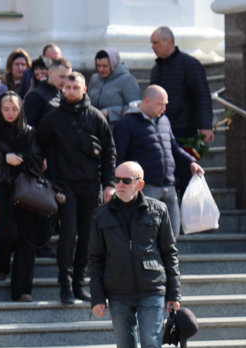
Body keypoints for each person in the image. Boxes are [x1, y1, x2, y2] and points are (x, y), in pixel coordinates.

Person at [88, 161, 180, 348]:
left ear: (140, 184)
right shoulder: (101, 215)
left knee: (151, 344)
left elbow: (170, 254)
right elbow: (95, 259)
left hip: (152, 288)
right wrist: (97, 297)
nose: (119, 184)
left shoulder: (158, 210)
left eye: (126, 181)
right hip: (117, 292)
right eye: (116, 179)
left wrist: (174, 293)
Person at [37, 73, 116, 304]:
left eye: (76, 87)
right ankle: (66, 287)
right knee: (68, 235)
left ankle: (80, 284)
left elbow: (110, 151)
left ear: (85, 89)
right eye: (68, 87)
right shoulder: (53, 117)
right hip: (65, 185)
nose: (71, 91)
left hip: (92, 185)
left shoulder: (95, 117)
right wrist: (42, 161)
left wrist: (109, 183)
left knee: (89, 238)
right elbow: (38, 142)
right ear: (63, 89)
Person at [0, 92, 45, 301]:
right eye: (6, 109)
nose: (10, 113)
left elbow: (38, 157)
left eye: (14, 109)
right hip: (1, 185)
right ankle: (1, 263)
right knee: (9, 232)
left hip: (26, 187)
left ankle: (23, 289)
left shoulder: (29, 132)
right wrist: (3, 158)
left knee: (28, 238)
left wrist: (26, 161)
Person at [114, 85, 205, 235]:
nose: (164, 108)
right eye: (160, 104)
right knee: (147, 234)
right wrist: (120, 184)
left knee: (172, 234)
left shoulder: (164, 121)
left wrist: (191, 162)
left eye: (165, 104)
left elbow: (174, 148)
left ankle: (167, 260)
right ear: (147, 101)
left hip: (169, 186)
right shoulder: (126, 123)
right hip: (145, 187)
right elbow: (118, 157)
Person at [150, 26, 214, 194]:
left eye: (155, 43)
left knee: (187, 177)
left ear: (168, 41)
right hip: (162, 131)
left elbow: (202, 96)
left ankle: (188, 219)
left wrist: (206, 126)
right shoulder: (156, 69)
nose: (152, 47)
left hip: (186, 131)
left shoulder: (189, 64)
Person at [88, 47, 141, 126]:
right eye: (98, 66)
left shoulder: (127, 80)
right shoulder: (94, 78)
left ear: (113, 64)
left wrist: (109, 112)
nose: (101, 69)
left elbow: (137, 107)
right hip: (94, 128)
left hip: (117, 129)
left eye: (105, 66)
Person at [24, 57, 71, 128]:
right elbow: (25, 128)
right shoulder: (35, 96)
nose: (65, 81)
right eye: (61, 76)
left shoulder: (65, 94)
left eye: (68, 77)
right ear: (50, 73)